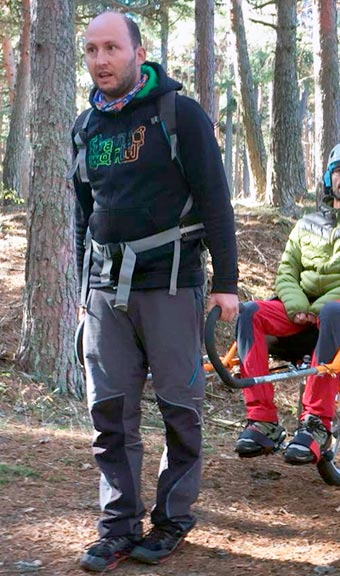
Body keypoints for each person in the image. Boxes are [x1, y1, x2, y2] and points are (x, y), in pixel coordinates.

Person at [71, 12, 239, 573]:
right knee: (110, 413)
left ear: (138, 51)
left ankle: (171, 520)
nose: (101, 60)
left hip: (170, 285)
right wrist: (81, 286)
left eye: (112, 48)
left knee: (179, 409)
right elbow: (83, 213)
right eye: (92, 50)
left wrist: (228, 284)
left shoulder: (179, 115)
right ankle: (118, 526)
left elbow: (215, 199)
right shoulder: (86, 127)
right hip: (104, 293)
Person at [233, 141, 340, 466]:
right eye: (338, 171)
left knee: (334, 312)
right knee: (250, 312)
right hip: (305, 312)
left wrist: (322, 304)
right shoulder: (306, 224)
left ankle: (316, 422)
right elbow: (286, 273)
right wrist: (296, 307)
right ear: (328, 179)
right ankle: (262, 419)